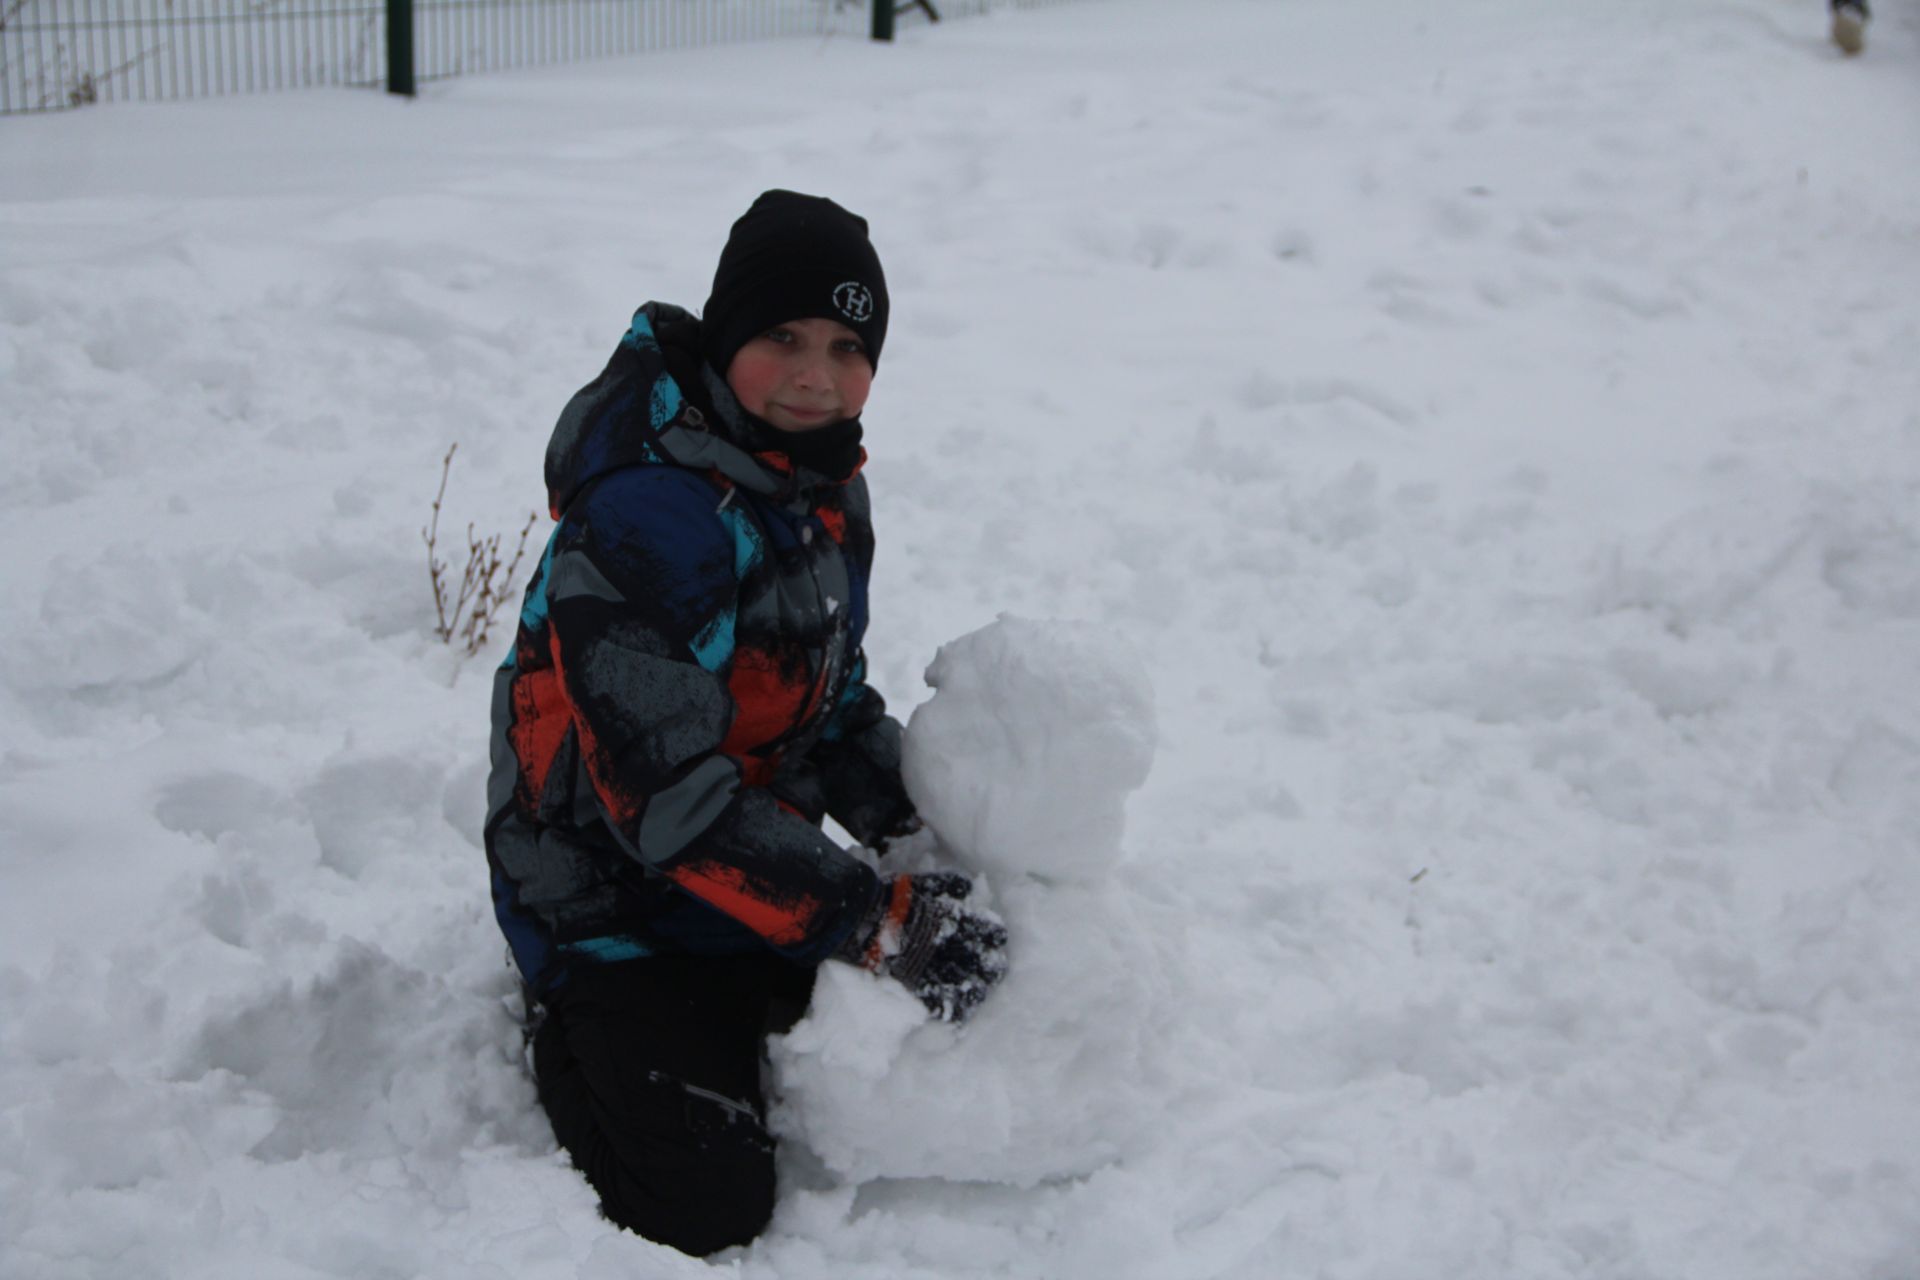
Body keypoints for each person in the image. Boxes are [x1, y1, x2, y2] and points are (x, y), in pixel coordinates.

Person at [483, 191, 1009, 1256]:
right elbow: (666, 801)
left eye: (848, 346)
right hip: (607, 889)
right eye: (783, 337)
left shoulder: (817, 485)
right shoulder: (646, 515)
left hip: (737, 851)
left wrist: (928, 836)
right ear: (727, 338)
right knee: (707, 1200)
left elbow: (828, 703)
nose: (817, 374)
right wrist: (879, 919)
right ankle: (568, 1021)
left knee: (968, 986)